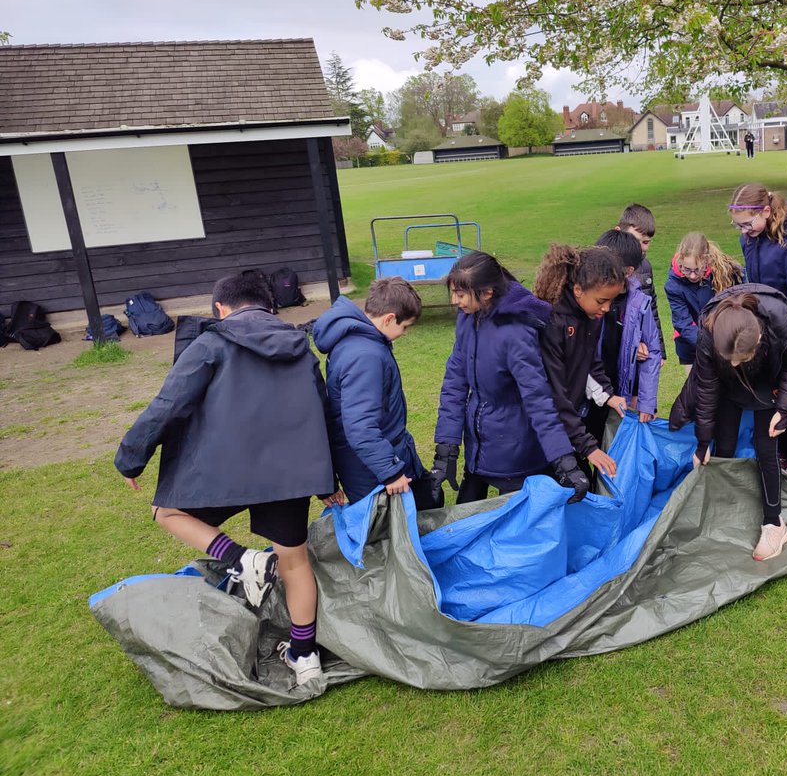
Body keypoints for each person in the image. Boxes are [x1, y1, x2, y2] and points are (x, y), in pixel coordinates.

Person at [115, 271, 334, 687]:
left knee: (166, 511)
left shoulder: (210, 343)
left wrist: (131, 458)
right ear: (270, 306)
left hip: (223, 470)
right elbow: (323, 413)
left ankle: (241, 559)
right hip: (289, 474)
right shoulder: (299, 347)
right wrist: (328, 481)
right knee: (295, 562)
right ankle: (306, 658)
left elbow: (169, 403)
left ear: (220, 308)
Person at [430, 251, 590, 504]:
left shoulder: (516, 333)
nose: (454, 301)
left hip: (516, 455)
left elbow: (538, 399)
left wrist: (564, 460)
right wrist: (446, 448)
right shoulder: (467, 318)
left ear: (487, 293)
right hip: (479, 448)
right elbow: (454, 383)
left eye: (460, 294)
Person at [679, 283, 787, 561]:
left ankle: (774, 524)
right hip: (730, 388)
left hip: (769, 380)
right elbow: (706, 390)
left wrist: (783, 408)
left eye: (739, 358)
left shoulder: (779, 320)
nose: (733, 363)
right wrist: (703, 440)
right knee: (724, 443)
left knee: (766, 447)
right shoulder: (709, 333)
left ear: (757, 341)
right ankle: (724, 508)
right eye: (728, 358)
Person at [312, 277, 439, 511]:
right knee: (387, 534)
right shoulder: (365, 356)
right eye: (405, 326)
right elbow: (360, 426)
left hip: (375, 455)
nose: (405, 333)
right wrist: (390, 473)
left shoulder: (357, 340)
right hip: (369, 470)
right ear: (389, 318)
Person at [533, 243, 628, 480]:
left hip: (568, 418)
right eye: (601, 301)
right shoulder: (553, 323)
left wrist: (607, 394)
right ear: (578, 290)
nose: (606, 308)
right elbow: (554, 391)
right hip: (542, 427)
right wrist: (587, 446)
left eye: (611, 301)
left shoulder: (590, 315)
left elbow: (589, 360)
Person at [584, 230, 663, 448]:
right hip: (589, 388)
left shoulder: (639, 302)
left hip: (621, 390)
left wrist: (646, 401)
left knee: (615, 447)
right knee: (586, 444)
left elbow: (653, 353)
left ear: (628, 271)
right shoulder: (587, 298)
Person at [728, 182, 787, 339]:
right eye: (738, 225)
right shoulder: (748, 239)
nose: (743, 230)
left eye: (747, 224)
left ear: (766, 212)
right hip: (766, 325)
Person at [664, 231, 743, 374]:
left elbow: (743, 297)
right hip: (691, 343)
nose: (693, 275)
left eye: (698, 270)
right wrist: (710, 346)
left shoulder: (724, 270)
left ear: (707, 261)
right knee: (697, 389)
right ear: (680, 261)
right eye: (687, 269)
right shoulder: (673, 285)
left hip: (724, 339)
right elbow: (683, 323)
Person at [615, 203, 666, 355]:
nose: (642, 247)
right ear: (619, 231)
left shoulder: (645, 267)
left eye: (646, 242)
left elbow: (652, 308)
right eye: (636, 240)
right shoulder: (609, 265)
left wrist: (659, 349)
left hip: (643, 350)